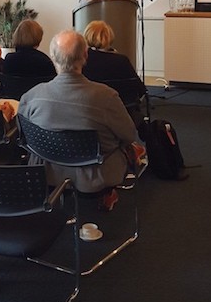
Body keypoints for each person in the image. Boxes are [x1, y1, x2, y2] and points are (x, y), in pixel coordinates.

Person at [18, 29, 137, 210]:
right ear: (85, 55)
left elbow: (24, 134)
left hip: (46, 171)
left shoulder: (31, 97)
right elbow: (128, 135)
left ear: (52, 57)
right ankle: (108, 194)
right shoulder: (106, 97)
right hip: (96, 175)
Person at [82, 20, 147, 130]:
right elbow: (140, 89)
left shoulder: (82, 60)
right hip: (121, 113)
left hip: (89, 113)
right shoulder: (121, 61)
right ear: (109, 37)